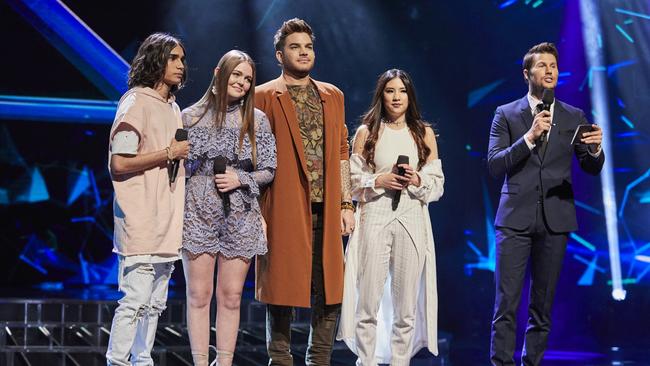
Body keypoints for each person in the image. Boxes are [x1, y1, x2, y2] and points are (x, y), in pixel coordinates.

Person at [487, 42, 604, 366]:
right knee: (506, 303)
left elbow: (590, 167)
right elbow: (495, 164)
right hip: (514, 219)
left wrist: (595, 150)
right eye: (542, 65)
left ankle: (533, 362)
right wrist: (528, 137)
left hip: (556, 219)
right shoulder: (507, 114)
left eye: (553, 65)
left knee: (542, 305)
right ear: (527, 73)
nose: (550, 70)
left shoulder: (573, 115)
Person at [254, 18, 355, 365]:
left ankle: (319, 358)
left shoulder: (332, 95)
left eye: (308, 46)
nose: (303, 52)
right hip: (282, 205)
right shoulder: (264, 95)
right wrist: (255, 213)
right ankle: (279, 359)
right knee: (281, 285)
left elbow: (342, 149)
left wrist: (346, 202)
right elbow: (251, 155)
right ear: (280, 55)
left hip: (325, 208)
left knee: (330, 288)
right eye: (295, 47)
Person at [337, 69, 444, 366]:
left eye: (402, 91)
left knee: (406, 305)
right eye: (390, 91)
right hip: (374, 217)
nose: (396, 97)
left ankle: (400, 361)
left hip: (412, 219)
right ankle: (366, 361)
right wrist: (379, 180)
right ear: (381, 95)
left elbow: (437, 184)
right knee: (367, 301)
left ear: (410, 97)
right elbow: (351, 180)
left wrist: (417, 179)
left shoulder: (422, 133)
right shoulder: (366, 132)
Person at [180, 50, 276, 366]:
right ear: (219, 72)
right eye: (237, 75)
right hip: (197, 213)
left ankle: (224, 363)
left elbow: (269, 169)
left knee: (232, 296)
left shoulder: (257, 120)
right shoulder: (189, 116)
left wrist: (240, 177)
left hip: (240, 215)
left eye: (248, 79)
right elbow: (175, 167)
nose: (242, 82)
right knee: (198, 295)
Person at [106, 33, 189, 366]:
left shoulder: (173, 107)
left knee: (155, 303)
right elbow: (119, 163)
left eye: (183, 59)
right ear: (156, 59)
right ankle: (118, 362)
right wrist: (168, 152)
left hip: (167, 221)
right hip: (140, 219)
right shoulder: (135, 102)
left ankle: (143, 361)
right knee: (135, 300)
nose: (181, 66)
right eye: (174, 58)